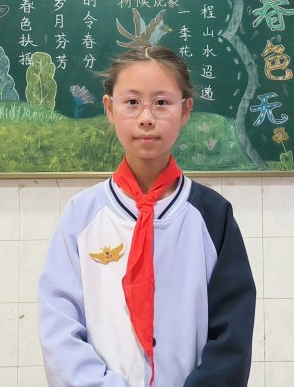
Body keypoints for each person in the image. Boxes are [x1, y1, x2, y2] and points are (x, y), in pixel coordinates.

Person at [37, 45, 256, 387]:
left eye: (162, 102)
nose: (146, 117)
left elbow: (232, 332)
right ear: (109, 108)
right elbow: (59, 328)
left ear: (186, 110)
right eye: (132, 102)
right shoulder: (82, 216)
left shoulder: (214, 217)